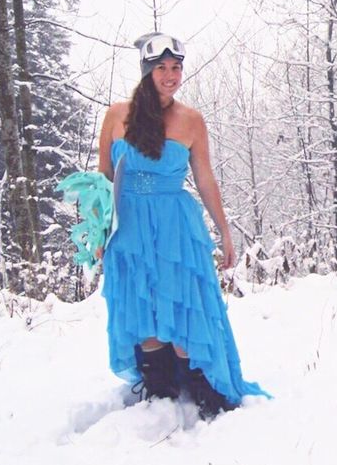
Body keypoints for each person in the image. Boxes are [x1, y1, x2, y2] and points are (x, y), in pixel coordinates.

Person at [96, 32, 268, 419]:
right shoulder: (115, 116)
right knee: (143, 306)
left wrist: (224, 231)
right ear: (147, 71)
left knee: (183, 302)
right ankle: (160, 391)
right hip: (129, 225)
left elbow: (205, 178)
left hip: (175, 225)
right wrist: (98, 231)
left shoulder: (191, 120)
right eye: (162, 68)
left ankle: (202, 389)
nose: (171, 76)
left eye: (176, 68)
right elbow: (103, 178)